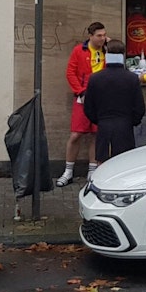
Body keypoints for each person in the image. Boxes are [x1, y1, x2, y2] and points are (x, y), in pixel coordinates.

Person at [58, 22, 109, 187]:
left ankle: (92, 170)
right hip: (83, 96)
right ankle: (68, 170)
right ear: (91, 36)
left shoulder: (108, 50)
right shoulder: (79, 50)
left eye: (104, 35)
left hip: (101, 97)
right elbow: (70, 72)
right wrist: (80, 91)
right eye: (99, 36)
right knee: (76, 134)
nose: (102, 38)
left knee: (96, 134)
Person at [81, 41, 146, 164]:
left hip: (104, 125)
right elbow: (139, 107)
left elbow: (88, 107)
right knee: (124, 163)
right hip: (125, 126)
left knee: (103, 163)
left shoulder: (95, 78)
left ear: (107, 54)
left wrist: (99, 120)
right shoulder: (131, 78)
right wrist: (132, 121)